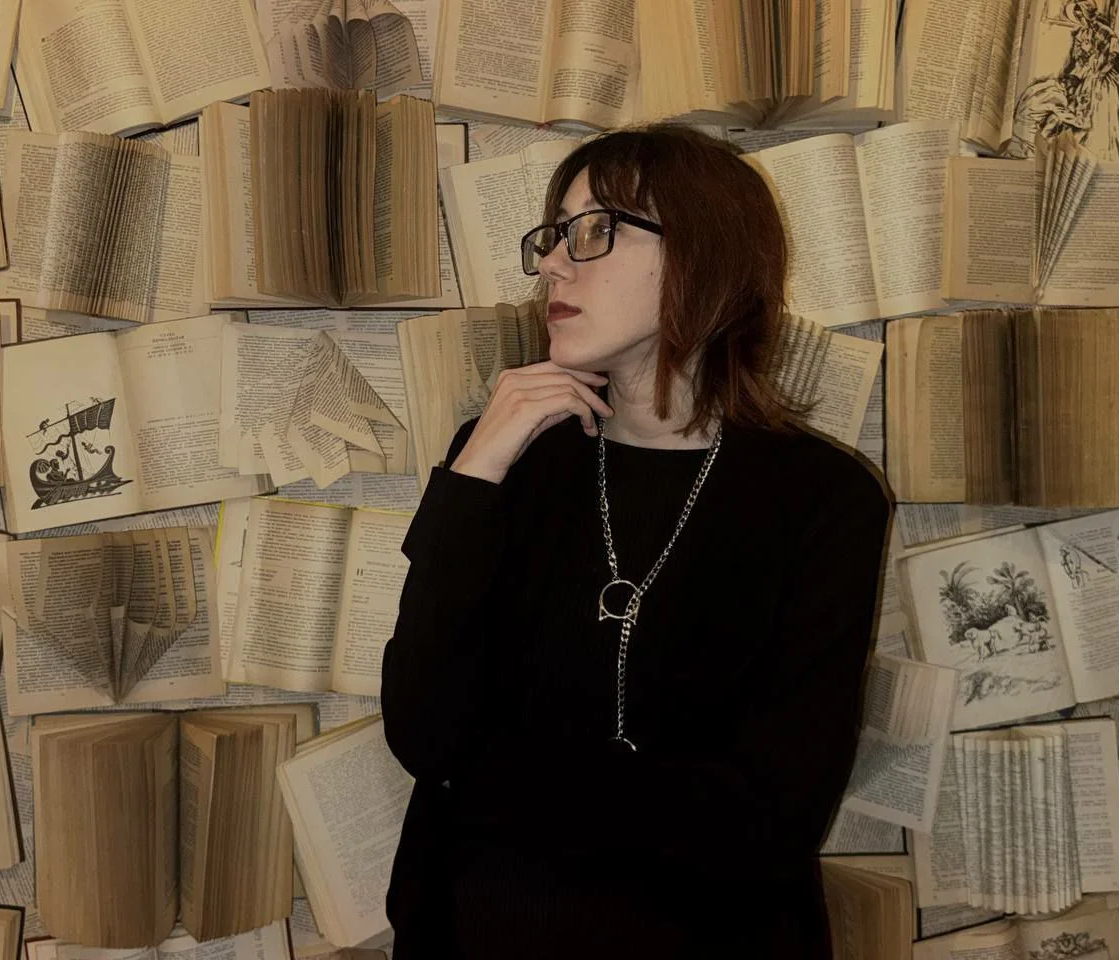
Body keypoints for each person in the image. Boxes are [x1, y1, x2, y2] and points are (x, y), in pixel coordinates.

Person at [380, 124, 893, 958]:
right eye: (554, 236)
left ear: (702, 253)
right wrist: (471, 479)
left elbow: (769, 822)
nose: (553, 264)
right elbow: (422, 732)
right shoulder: (504, 457)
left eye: (594, 231)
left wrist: (489, 771)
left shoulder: (823, 501)